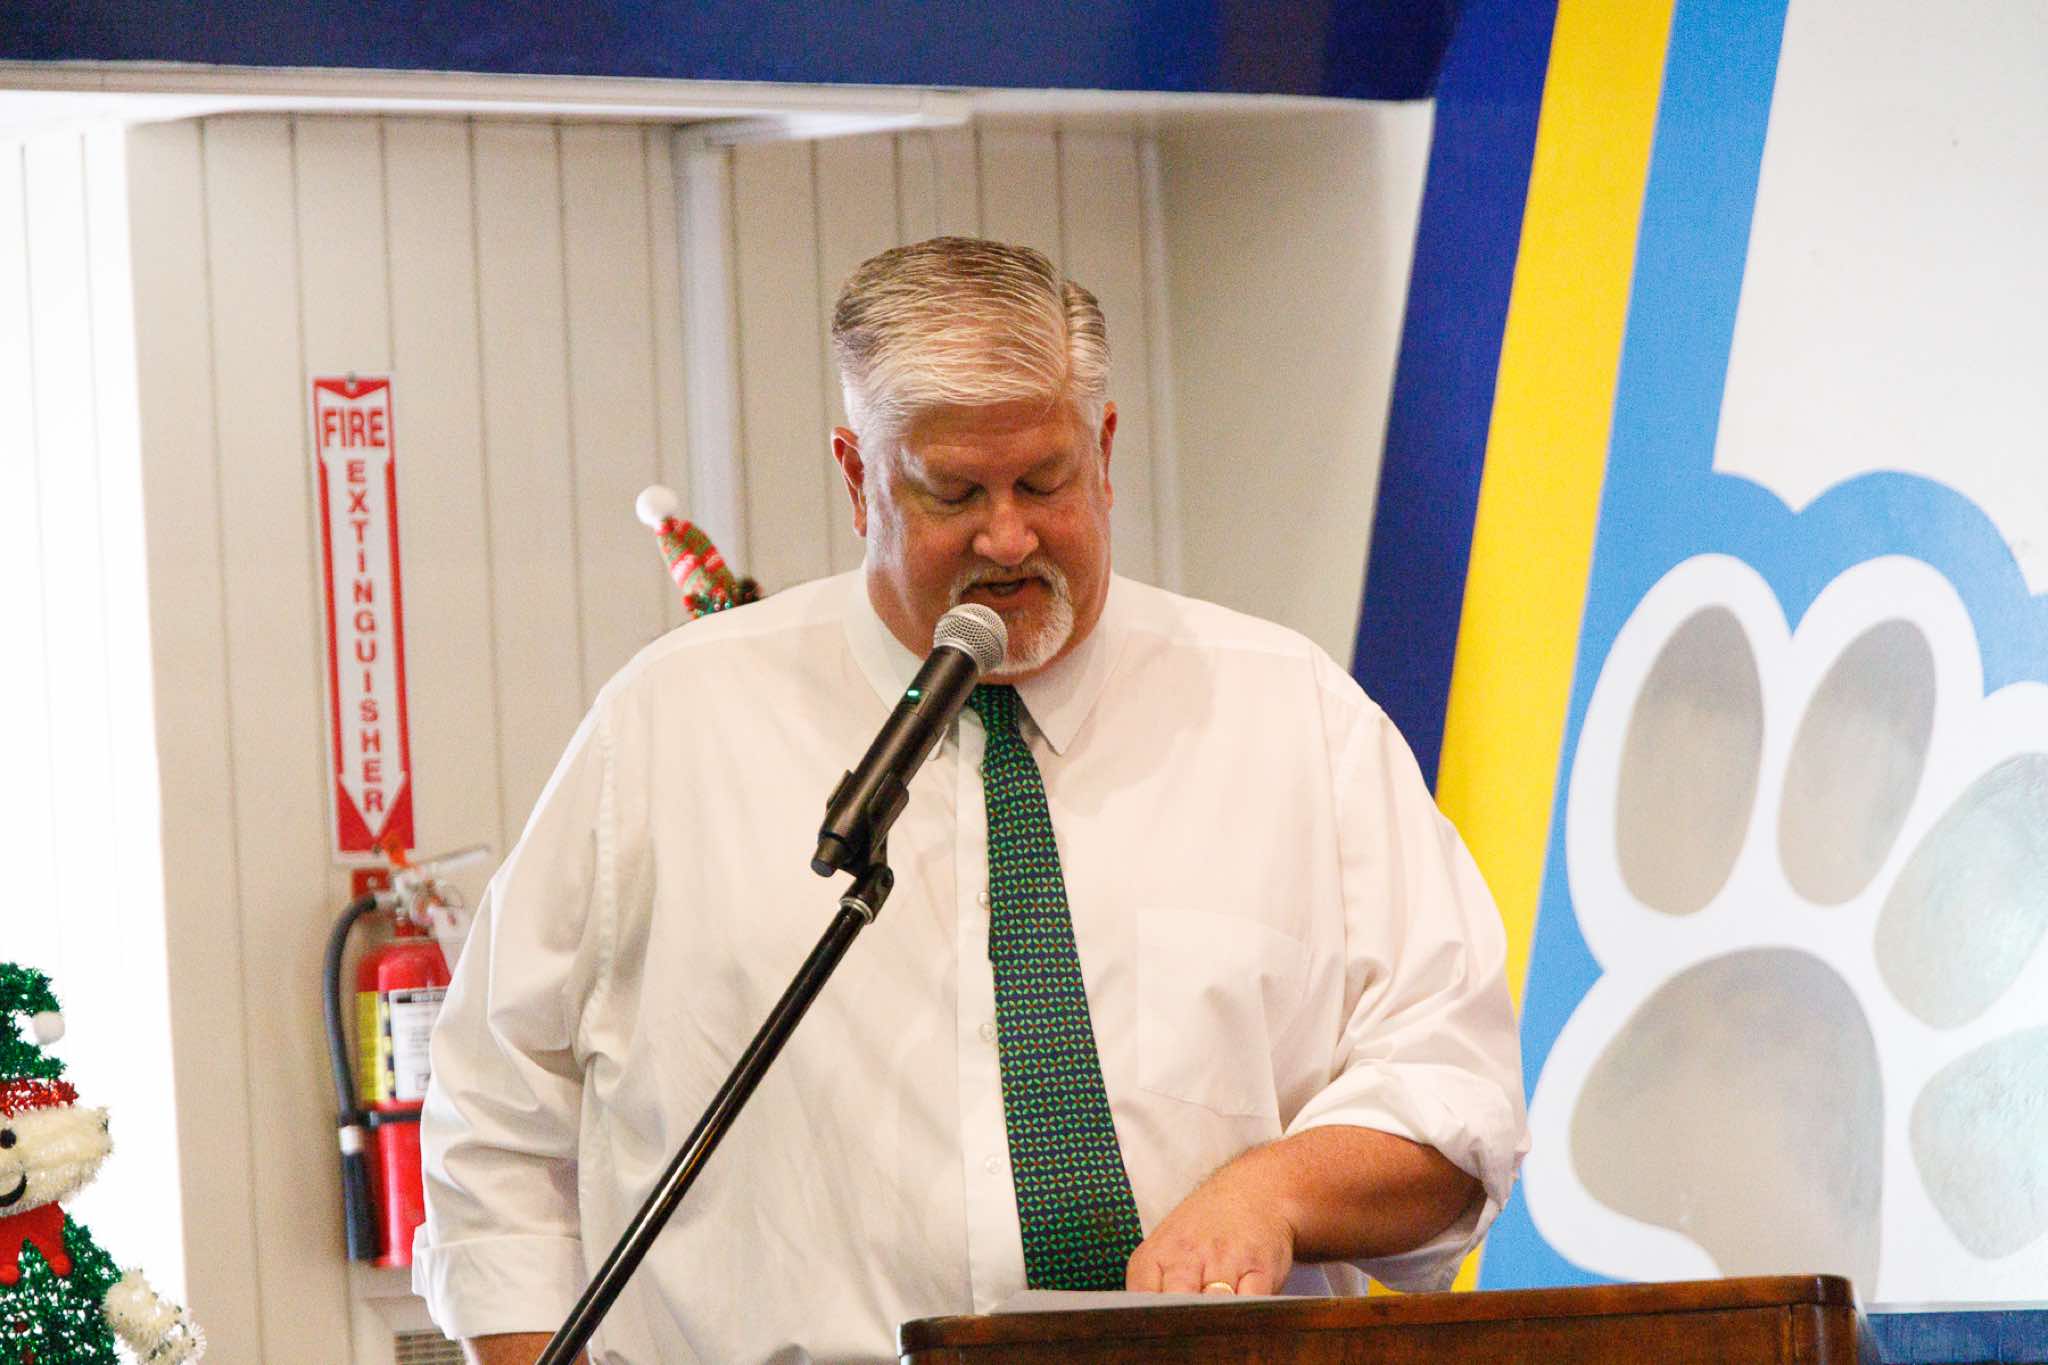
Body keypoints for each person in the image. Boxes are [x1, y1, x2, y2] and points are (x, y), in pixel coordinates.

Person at [414, 237, 1528, 1365]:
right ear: (858, 478)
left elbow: (1455, 1094)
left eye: (1045, 481)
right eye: (951, 492)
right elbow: (493, 1124)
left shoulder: (1291, 719)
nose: (1008, 537)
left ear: (1104, 450)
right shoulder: (669, 728)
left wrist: (1274, 1190)